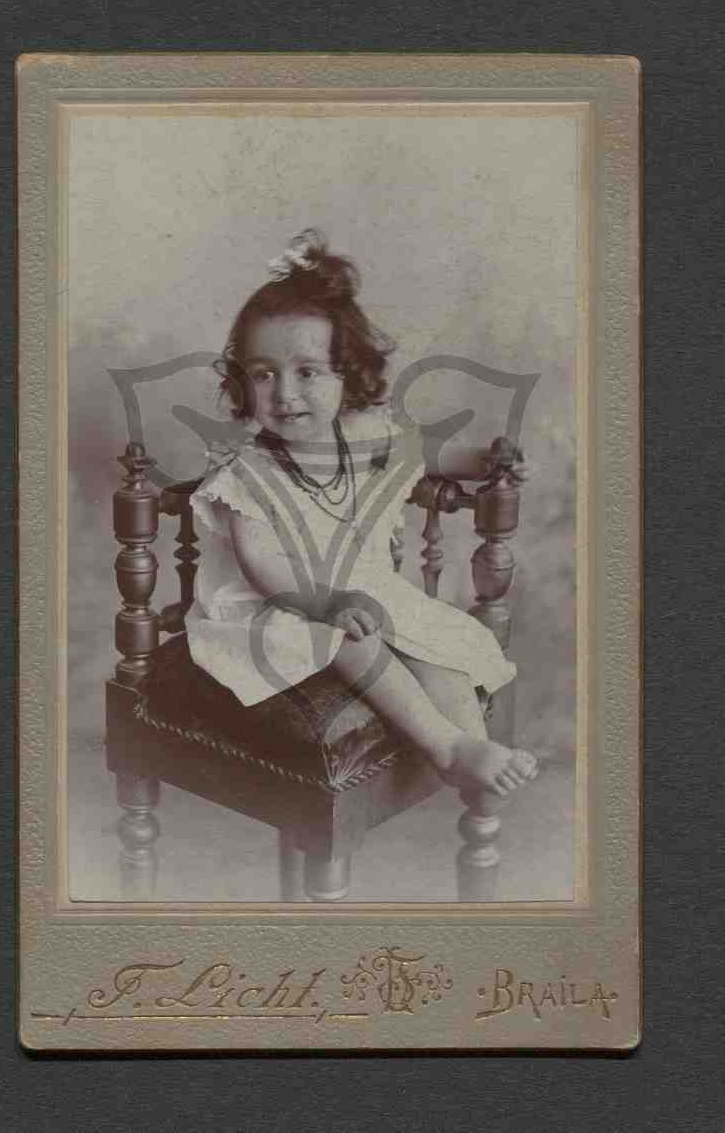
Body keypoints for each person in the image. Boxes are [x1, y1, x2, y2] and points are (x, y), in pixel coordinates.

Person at [185, 229, 538, 798]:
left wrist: (485, 460)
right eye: (264, 373)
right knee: (352, 639)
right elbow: (263, 566)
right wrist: (327, 603)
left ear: (346, 374)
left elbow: (427, 455)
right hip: (277, 608)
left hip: (360, 589)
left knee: (438, 647)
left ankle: (469, 746)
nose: (285, 394)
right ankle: (442, 745)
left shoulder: (364, 436)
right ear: (243, 382)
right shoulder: (247, 474)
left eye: (307, 372)